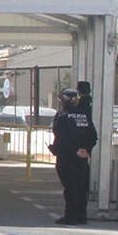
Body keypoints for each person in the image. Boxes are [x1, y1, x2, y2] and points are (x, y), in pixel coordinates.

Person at [49, 86, 98, 225]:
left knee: (70, 188)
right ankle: (82, 216)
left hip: (66, 158)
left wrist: (73, 150)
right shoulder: (84, 115)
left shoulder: (62, 116)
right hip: (82, 159)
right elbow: (93, 136)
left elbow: (61, 137)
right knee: (81, 188)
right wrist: (86, 150)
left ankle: (71, 216)